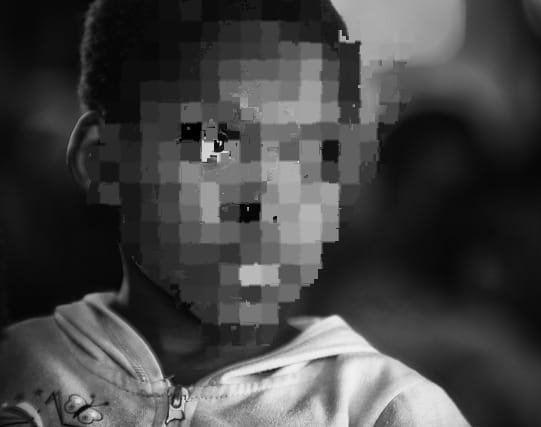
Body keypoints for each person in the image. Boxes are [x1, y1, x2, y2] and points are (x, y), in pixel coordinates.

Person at [0, 0, 469, 425]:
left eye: (310, 154)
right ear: (102, 162)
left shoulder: (381, 409)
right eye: (215, 145)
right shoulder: (18, 367)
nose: (265, 199)